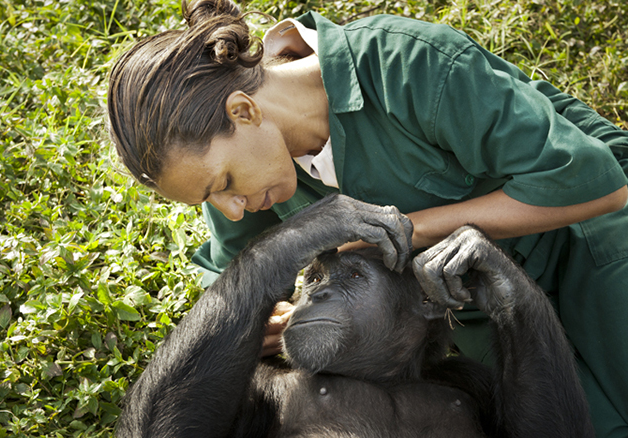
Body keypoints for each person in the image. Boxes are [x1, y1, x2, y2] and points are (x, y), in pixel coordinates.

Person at [106, 0, 628, 435]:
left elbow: (595, 184)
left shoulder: (406, 63)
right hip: (470, 308)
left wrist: (398, 232)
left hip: (588, 240)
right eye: (210, 200)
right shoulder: (252, 179)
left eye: (221, 185)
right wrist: (270, 302)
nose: (230, 208)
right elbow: (235, 280)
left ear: (244, 111)